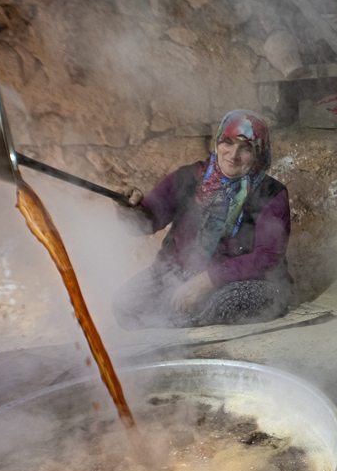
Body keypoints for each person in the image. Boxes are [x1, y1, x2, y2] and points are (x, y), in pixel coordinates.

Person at [112, 109, 292, 330]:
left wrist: (206, 280)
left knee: (221, 303)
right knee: (124, 304)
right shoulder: (188, 178)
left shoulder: (271, 193)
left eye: (245, 148)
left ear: (259, 153)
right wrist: (129, 210)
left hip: (250, 280)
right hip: (178, 270)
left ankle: (174, 329)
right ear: (217, 142)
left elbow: (268, 257)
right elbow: (147, 222)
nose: (233, 155)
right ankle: (176, 322)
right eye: (228, 142)